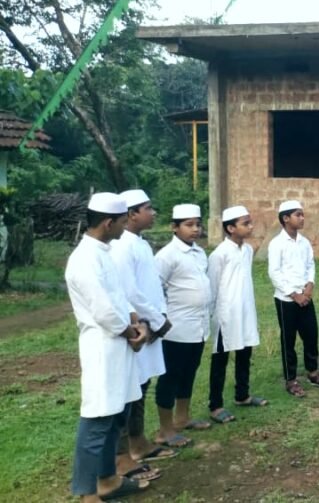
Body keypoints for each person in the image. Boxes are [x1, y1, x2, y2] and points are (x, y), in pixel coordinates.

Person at [67, 192, 150, 501]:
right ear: (108, 223)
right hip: (103, 348)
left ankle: (108, 479)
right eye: (123, 221)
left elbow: (118, 297)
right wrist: (132, 333)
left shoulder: (105, 252)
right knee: (97, 420)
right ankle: (87, 493)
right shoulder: (84, 260)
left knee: (117, 416)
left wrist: (135, 321)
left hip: (121, 345)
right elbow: (103, 311)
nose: (125, 226)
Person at [109, 189, 176, 481]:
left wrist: (158, 317)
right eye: (148, 208)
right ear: (131, 214)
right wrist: (156, 319)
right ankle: (123, 454)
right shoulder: (122, 246)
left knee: (142, 384)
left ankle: (138, 442)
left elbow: (149, 286)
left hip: (150, 324)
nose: (153, 212)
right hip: (137, 326)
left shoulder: (141, 243)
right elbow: (130, 292)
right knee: (130, 389)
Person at [154, 204, 213, 442]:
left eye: (198, 224)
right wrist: (161, 318)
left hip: (198, 326)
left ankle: (182, 418)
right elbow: (155, 288)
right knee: (171, 376)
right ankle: (165, 429)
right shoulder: (166, 256)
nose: (195, 229)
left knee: (189, 372)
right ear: (174, 227)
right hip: (176, 327)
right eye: (189, 225)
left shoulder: (199, 253)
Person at [207, 205, 266, 424]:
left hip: (245, 309)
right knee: (220, 359)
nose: (250, 226)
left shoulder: (247, 250)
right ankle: (215, 405)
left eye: (250, 222)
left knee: (244, 352)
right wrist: (213, 314)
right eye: (245, 223)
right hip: (226, 314)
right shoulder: (219, 254)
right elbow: (212, 287)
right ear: (231, 228)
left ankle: (242, 395)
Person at [268, 200, 319, 396]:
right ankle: (291, 379)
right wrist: (294, 294)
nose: (302, 218)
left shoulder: (304, 242)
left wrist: (309, 286)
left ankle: (313, 372)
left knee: (311, 335)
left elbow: (310, 265)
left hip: (305, 296)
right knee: (288, 340)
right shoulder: (277, 243)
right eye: (298, 215)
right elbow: (274, 273)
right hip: (286, 300)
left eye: (302, 214)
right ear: (286, 218)